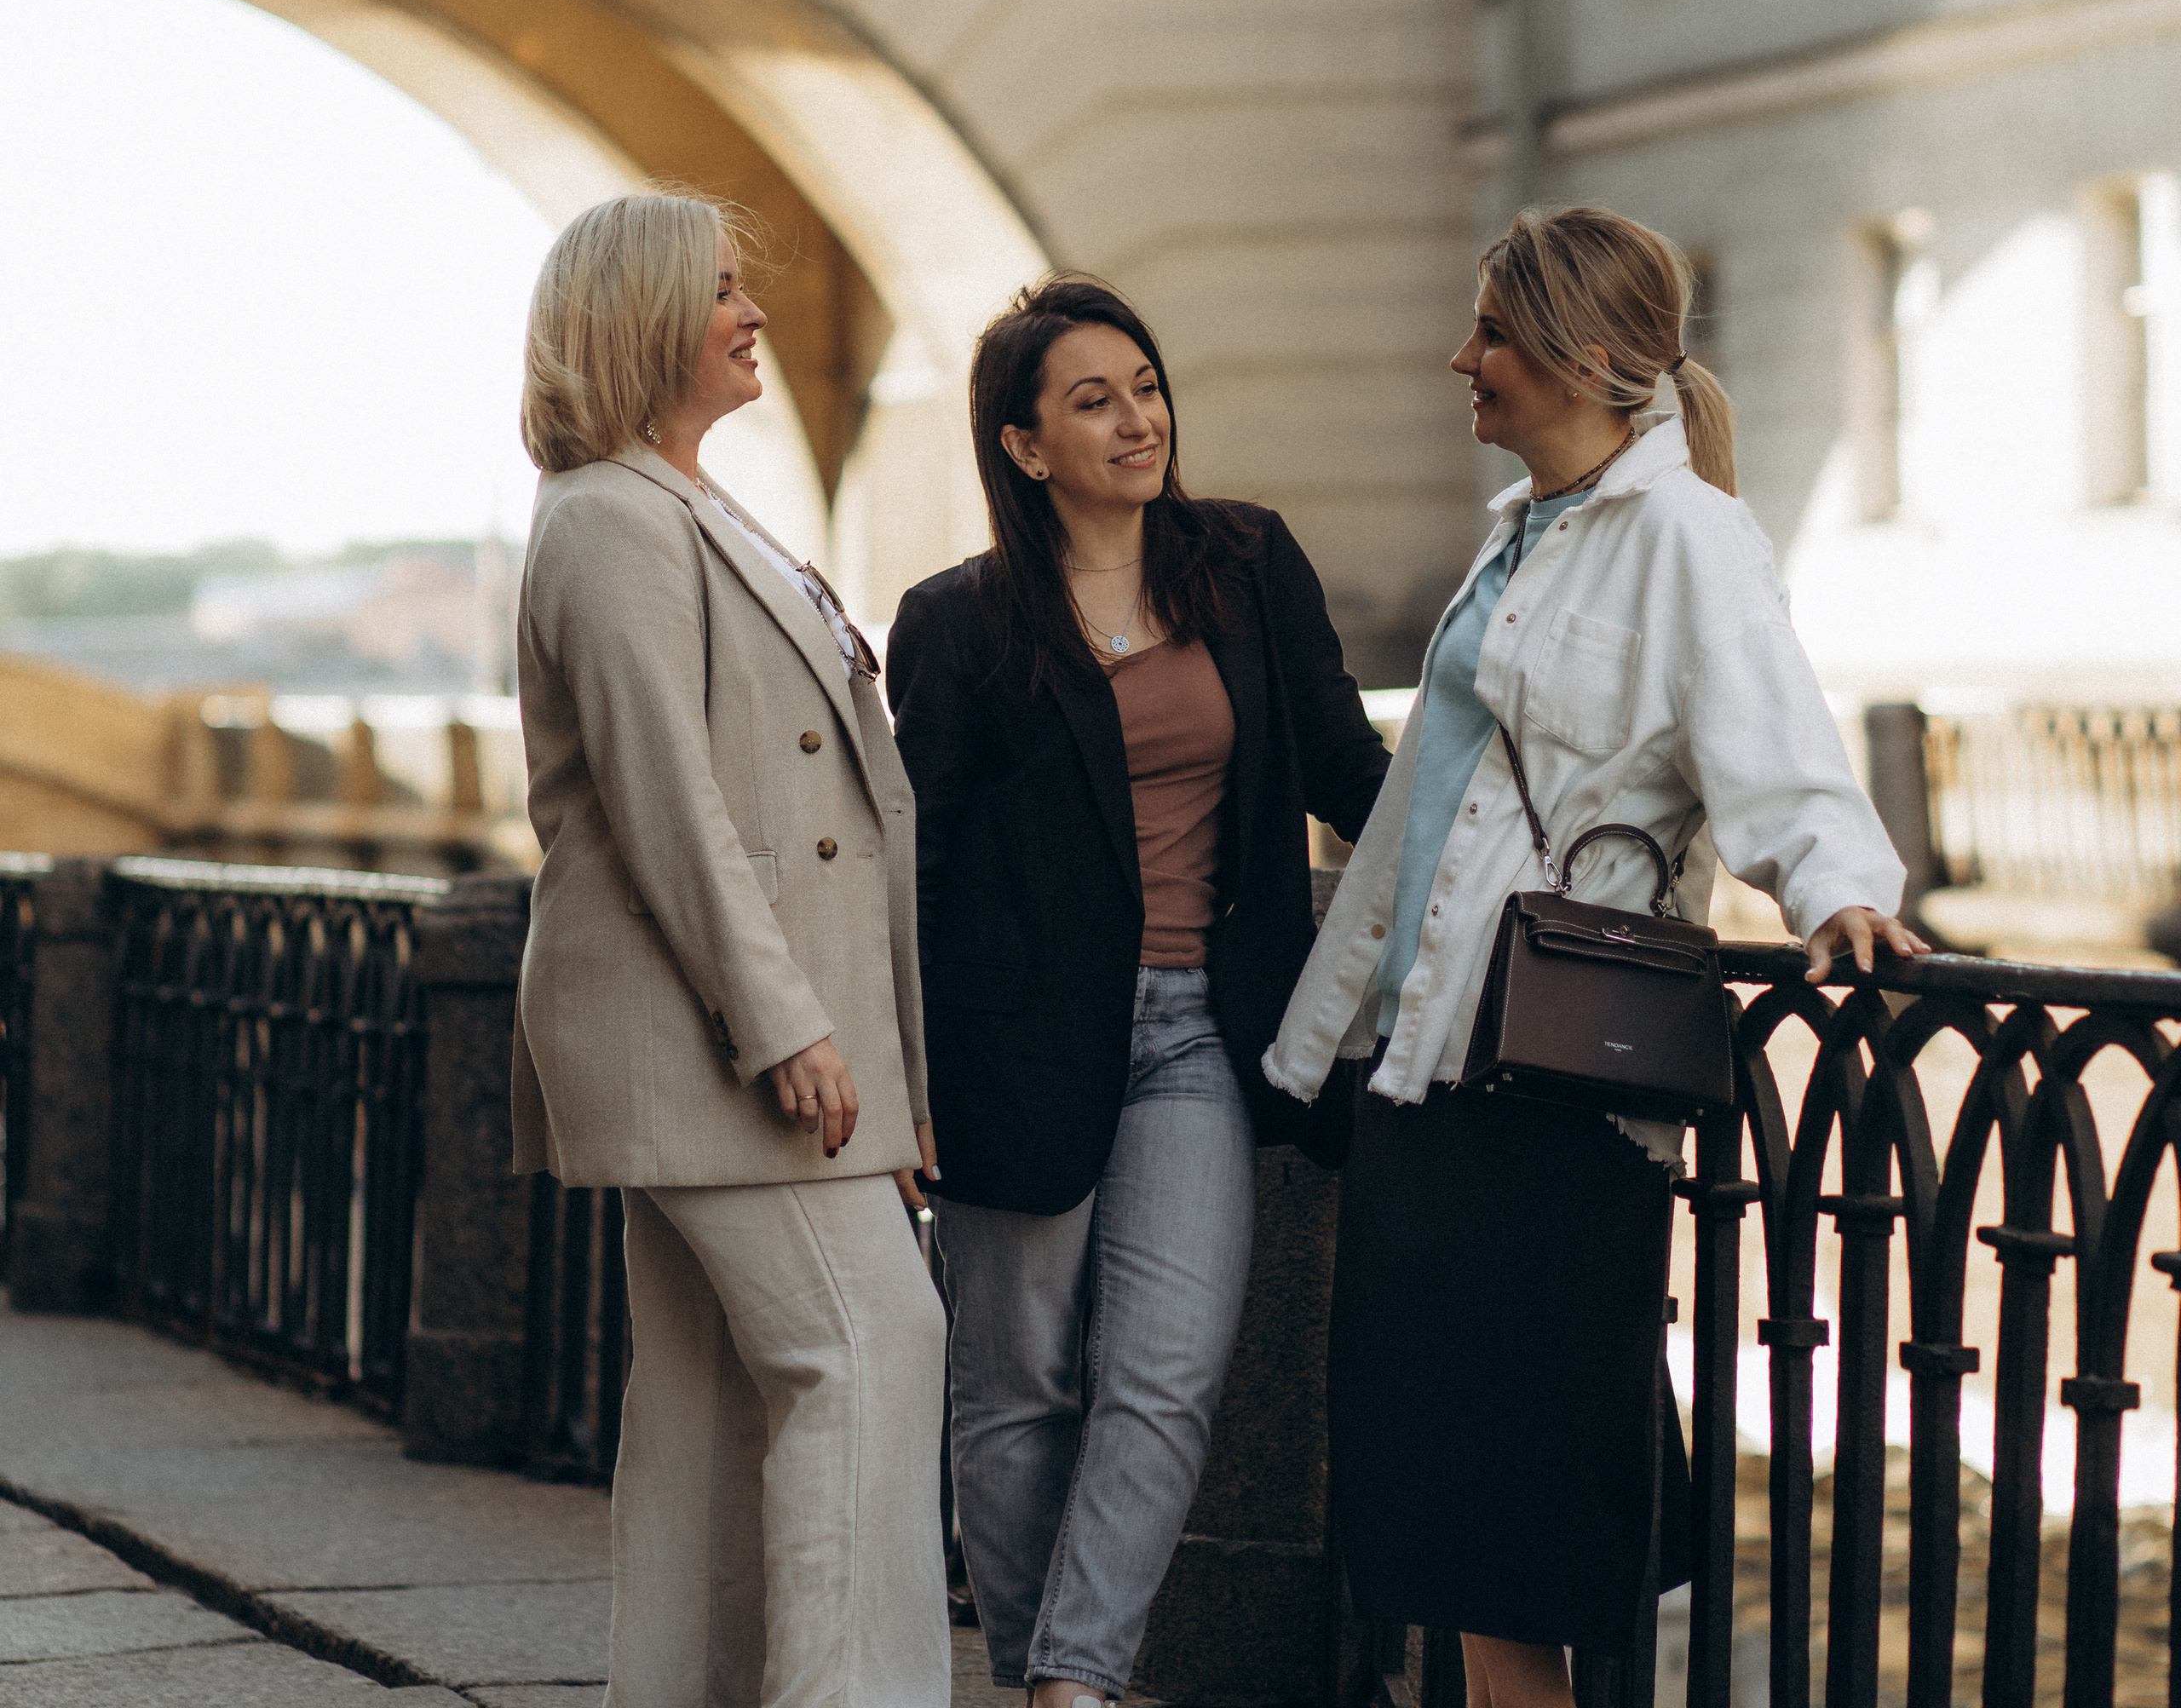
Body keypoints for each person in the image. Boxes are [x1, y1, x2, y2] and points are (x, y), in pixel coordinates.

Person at [1264, 204, 1925, 1704]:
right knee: (1444, 1503)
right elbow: (1426, 814)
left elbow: (1775, 735)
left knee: (1513, 1515)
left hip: (1548, 1082)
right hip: (1428, 1064)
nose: (1462, 361)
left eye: (1491, 333)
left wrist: (1839, 887)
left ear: (1585, 355)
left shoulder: (1689, 537)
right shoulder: (1524, 537)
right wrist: (1325, 1039)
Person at [886, 273, 1390, 1708]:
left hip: (1198, 1039)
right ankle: (1049, 1674)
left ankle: (1072, 1688)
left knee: (1167, 1379)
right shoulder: (964, 623)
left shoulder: (1243, 562)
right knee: (1020, 1388)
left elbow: (1350, 769)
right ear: (1024, 446)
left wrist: (1509, 872)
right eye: (1093, 401)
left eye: (1148, 387)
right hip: (1010, 1047)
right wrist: (907, 1078)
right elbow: (910, 868)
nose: (1137, 421)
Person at [509, 190, 947, 1708]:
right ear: (642, 318)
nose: (753, 310)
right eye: (720, 289)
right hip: (713, 1035)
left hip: (722, 1033)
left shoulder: (670, 500)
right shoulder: (614, 519)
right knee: (875, 1352)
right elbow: (671, 806)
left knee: (706, 1413)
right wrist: (787, 1028)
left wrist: (877, 1064)